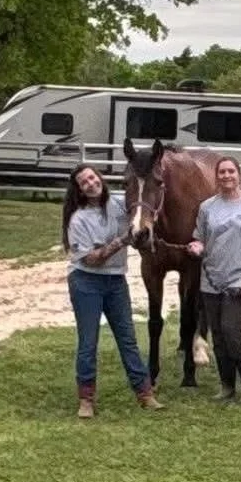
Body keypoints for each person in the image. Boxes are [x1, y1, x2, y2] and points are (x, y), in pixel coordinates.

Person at [61, 165, 164, 418]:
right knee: (88, 342)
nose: (91, 183)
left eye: (92, 177)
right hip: (86, 282)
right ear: (79, 190)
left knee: (127, 339)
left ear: (100, 178)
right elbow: (91, 260)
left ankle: (144, 393)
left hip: (116, 280)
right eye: (84, 182)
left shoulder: (119, 203)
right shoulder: (79, 219)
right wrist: (122, 241)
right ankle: (86, 399)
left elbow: (141, 213)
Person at [186, 156, 241, 405]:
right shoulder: (207, 207)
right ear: (216, 177)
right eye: (222, 172)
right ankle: (226, 386)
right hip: (211, 280)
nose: (226, 176)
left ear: (239, 174)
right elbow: (201, 237)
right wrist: (197, 246)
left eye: (230, 171)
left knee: (232, 332)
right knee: (218, 337)